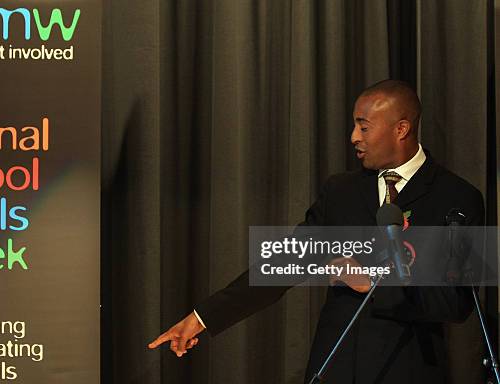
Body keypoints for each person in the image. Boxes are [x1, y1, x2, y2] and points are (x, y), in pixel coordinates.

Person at [148, 80, 485, 383]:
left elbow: (455, 304)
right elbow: (285, 262)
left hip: (407, 369)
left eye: (363, 127)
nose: (354, 137)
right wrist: (202, 317)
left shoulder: (455, 198)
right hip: (333, 366)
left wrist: (372, 283)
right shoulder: (341, 191)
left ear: (401, 129)